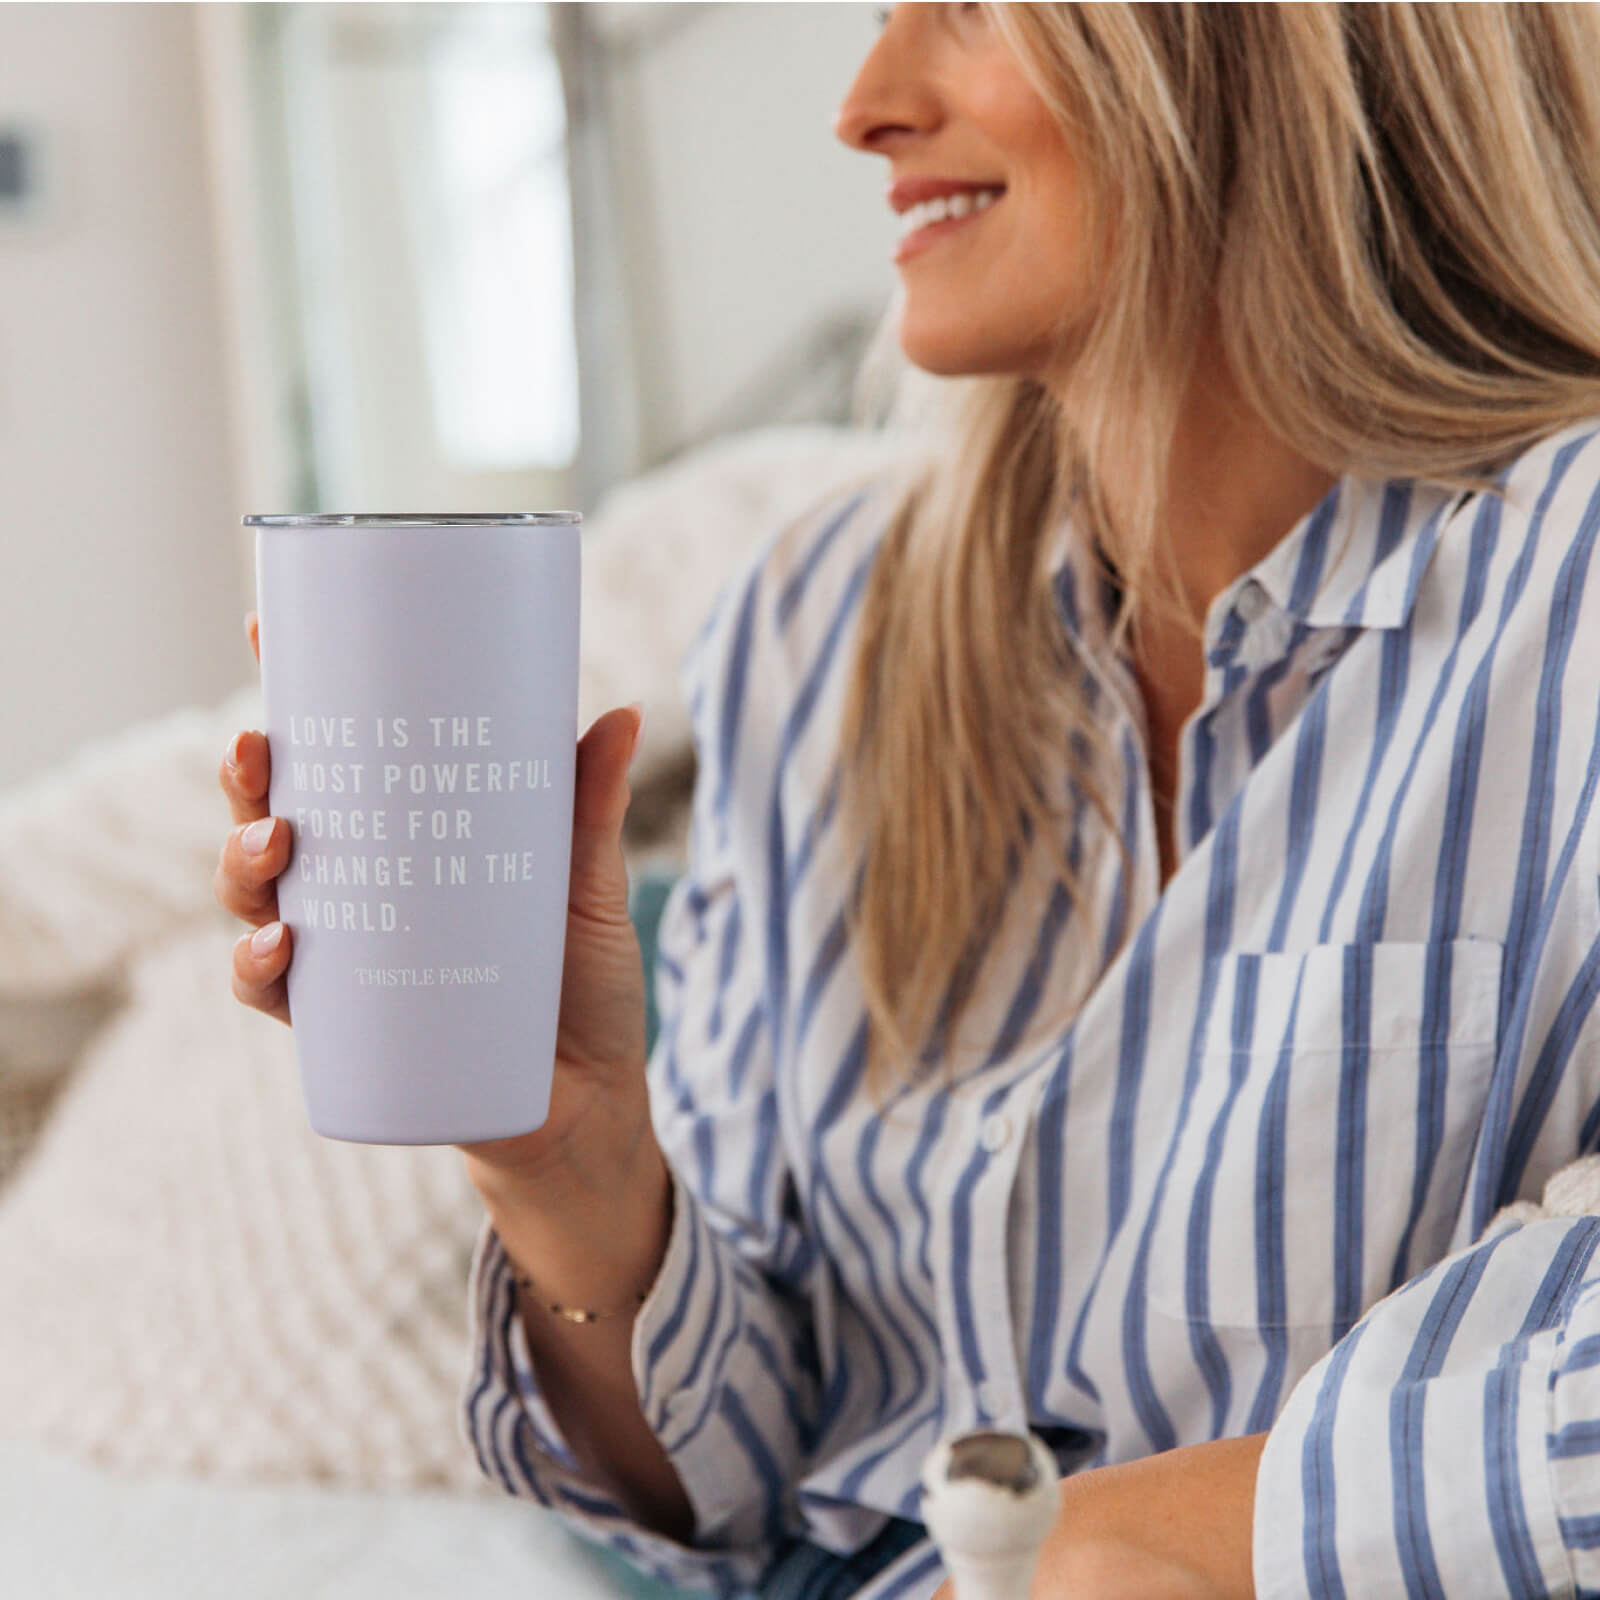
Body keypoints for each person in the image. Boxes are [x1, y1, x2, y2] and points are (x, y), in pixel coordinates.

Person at [215, 4, 1600, 1596]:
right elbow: (740, 1505)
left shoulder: (1564, 594)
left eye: (967, 13)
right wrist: (566, 1162)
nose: (864, 109)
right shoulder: (815, 628)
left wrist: (1135, 1540)